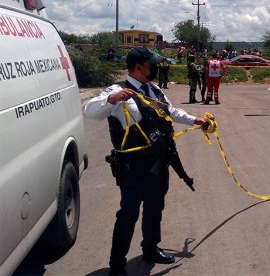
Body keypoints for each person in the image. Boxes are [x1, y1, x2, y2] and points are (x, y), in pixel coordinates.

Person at [83, 47, 208, 276]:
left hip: (159, 163)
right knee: (128, 213)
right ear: (139, 67)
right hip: (133, 166)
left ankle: (150, 249)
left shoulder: (154, 89)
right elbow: (90, 111)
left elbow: (169, 112)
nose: (156, 67)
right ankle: (117, 265)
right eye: (152, 64)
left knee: (155, 207)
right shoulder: (117, 91)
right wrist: (111, 99)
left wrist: (195, 120)